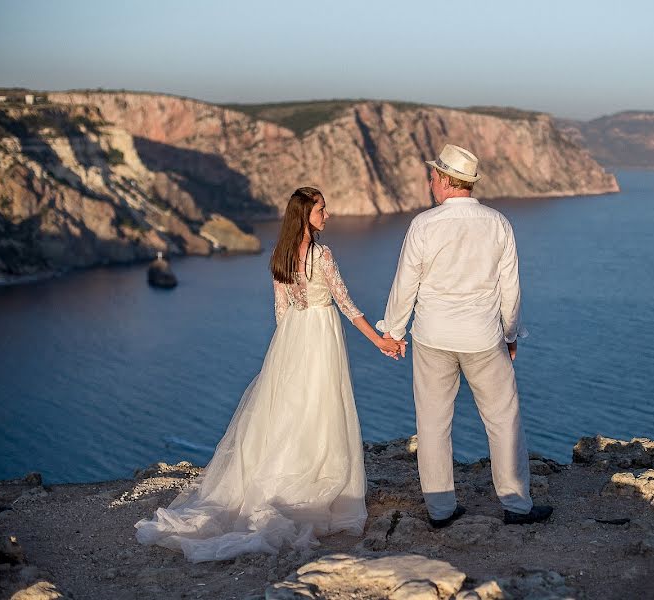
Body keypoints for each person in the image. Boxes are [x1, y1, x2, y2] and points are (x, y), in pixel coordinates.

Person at [135, 187, 405, 562]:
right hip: (320, 335)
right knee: (321, 409)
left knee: (288, 411)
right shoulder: (322, 255)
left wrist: (283, 354)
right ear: (305, 215)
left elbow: (280, 310)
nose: (328, 215)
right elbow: (346, 304)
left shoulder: (279, 255)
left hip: (292, 336)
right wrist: (380, 341)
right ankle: (313, 484)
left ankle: (283, 476)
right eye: (322, 210)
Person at [377, 144, 553, 528]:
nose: (430, 183)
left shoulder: (423, 225)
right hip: (483, 337)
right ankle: (516, 506)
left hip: (432, 337)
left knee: (433, 423)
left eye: (432, 177)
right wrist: (510, 335)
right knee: (504, 420)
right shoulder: (498, 223)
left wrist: (393, 331)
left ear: (442, 180)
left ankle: (440, 511)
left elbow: (405, 284)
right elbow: (511, 290)